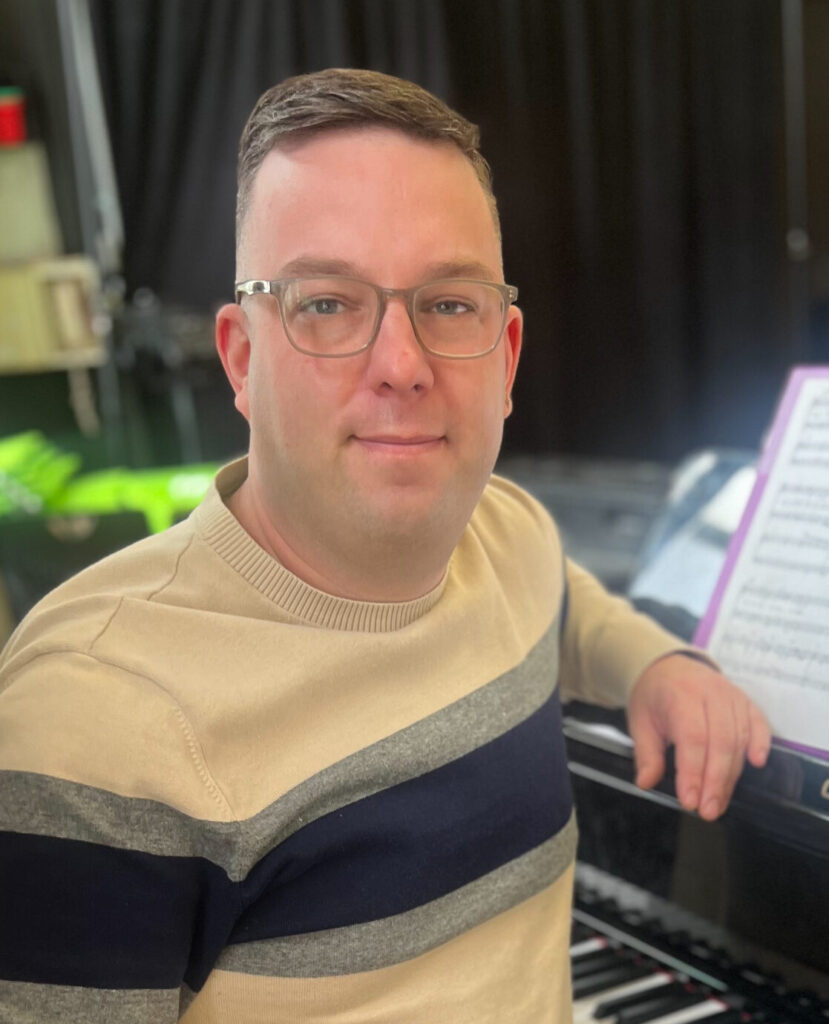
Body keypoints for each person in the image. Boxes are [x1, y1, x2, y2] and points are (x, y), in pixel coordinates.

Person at [0, 68, 770, 1023]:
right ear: (242, 357)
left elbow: (574, 608)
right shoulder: (95, 721)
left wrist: (657, 665)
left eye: (448, 304)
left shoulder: (507, 533)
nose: (401, 366)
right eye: (327, 303)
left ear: (506, 356)